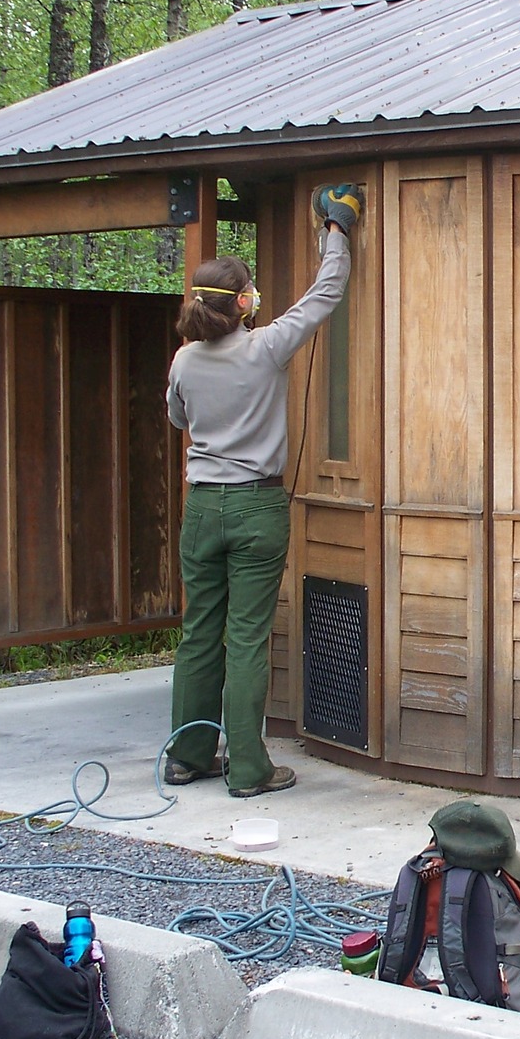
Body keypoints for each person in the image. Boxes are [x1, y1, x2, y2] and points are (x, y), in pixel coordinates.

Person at [164, 185, 359, 798]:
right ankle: (247, 769)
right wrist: (338, 227)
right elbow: (327, 293)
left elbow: (177, 419)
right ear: (244, 302)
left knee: (201, 631)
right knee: (247, 637)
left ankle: (186, 756)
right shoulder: (266, 346)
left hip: (202, 508)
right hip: (256, 506)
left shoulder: (184, 361)